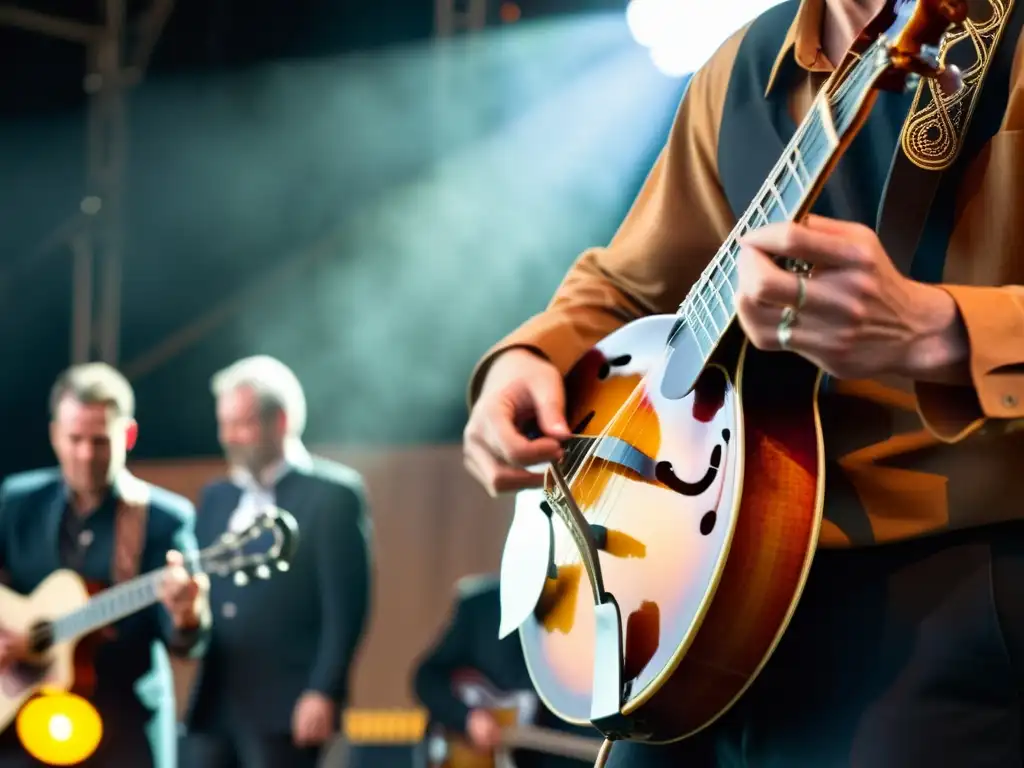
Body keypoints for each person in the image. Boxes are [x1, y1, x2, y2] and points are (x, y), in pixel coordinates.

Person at [462, 0, 1024, 765]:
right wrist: (525, 358)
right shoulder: (740, 67)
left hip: (957, 577)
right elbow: (630, 286)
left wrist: (942, 330)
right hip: (708, 585)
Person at [0, 362, 210, 768]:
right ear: (54, 434)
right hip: (24, 720)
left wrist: (188, 614)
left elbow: (185, 642)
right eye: (74, 439)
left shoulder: (164, 519)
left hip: (123, 731)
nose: (85, 454)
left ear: (128, 434)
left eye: (99, 441)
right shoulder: (16, 502)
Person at [182, 355, 372, 768]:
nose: (229, 437)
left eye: (242, 424)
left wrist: (325, 690)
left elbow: (346, 608)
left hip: (287, 705)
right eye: (225, 423)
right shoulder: (216, 497)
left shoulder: (332, 495)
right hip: (217, 702)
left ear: (281, 421)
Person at [413, 574, 599, 768]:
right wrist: (468, 718)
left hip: (564, 751)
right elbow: (426, 678)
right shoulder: (480, 608)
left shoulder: (583, 609)